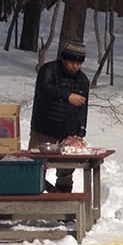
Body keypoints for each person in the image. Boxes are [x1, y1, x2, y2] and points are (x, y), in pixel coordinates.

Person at [30, 39, 90, 193]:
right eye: (72, 62)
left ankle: (64, 206)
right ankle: (32, 203)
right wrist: (67, 96)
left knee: (66, 172)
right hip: (43, 130)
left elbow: (82, 109)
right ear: (64, 58)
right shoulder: (48, 70)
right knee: (34, 168)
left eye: (79, 63)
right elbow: (45, 89)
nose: (75, 66)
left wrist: (80, 131)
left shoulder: (82, 80)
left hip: (67, 133)